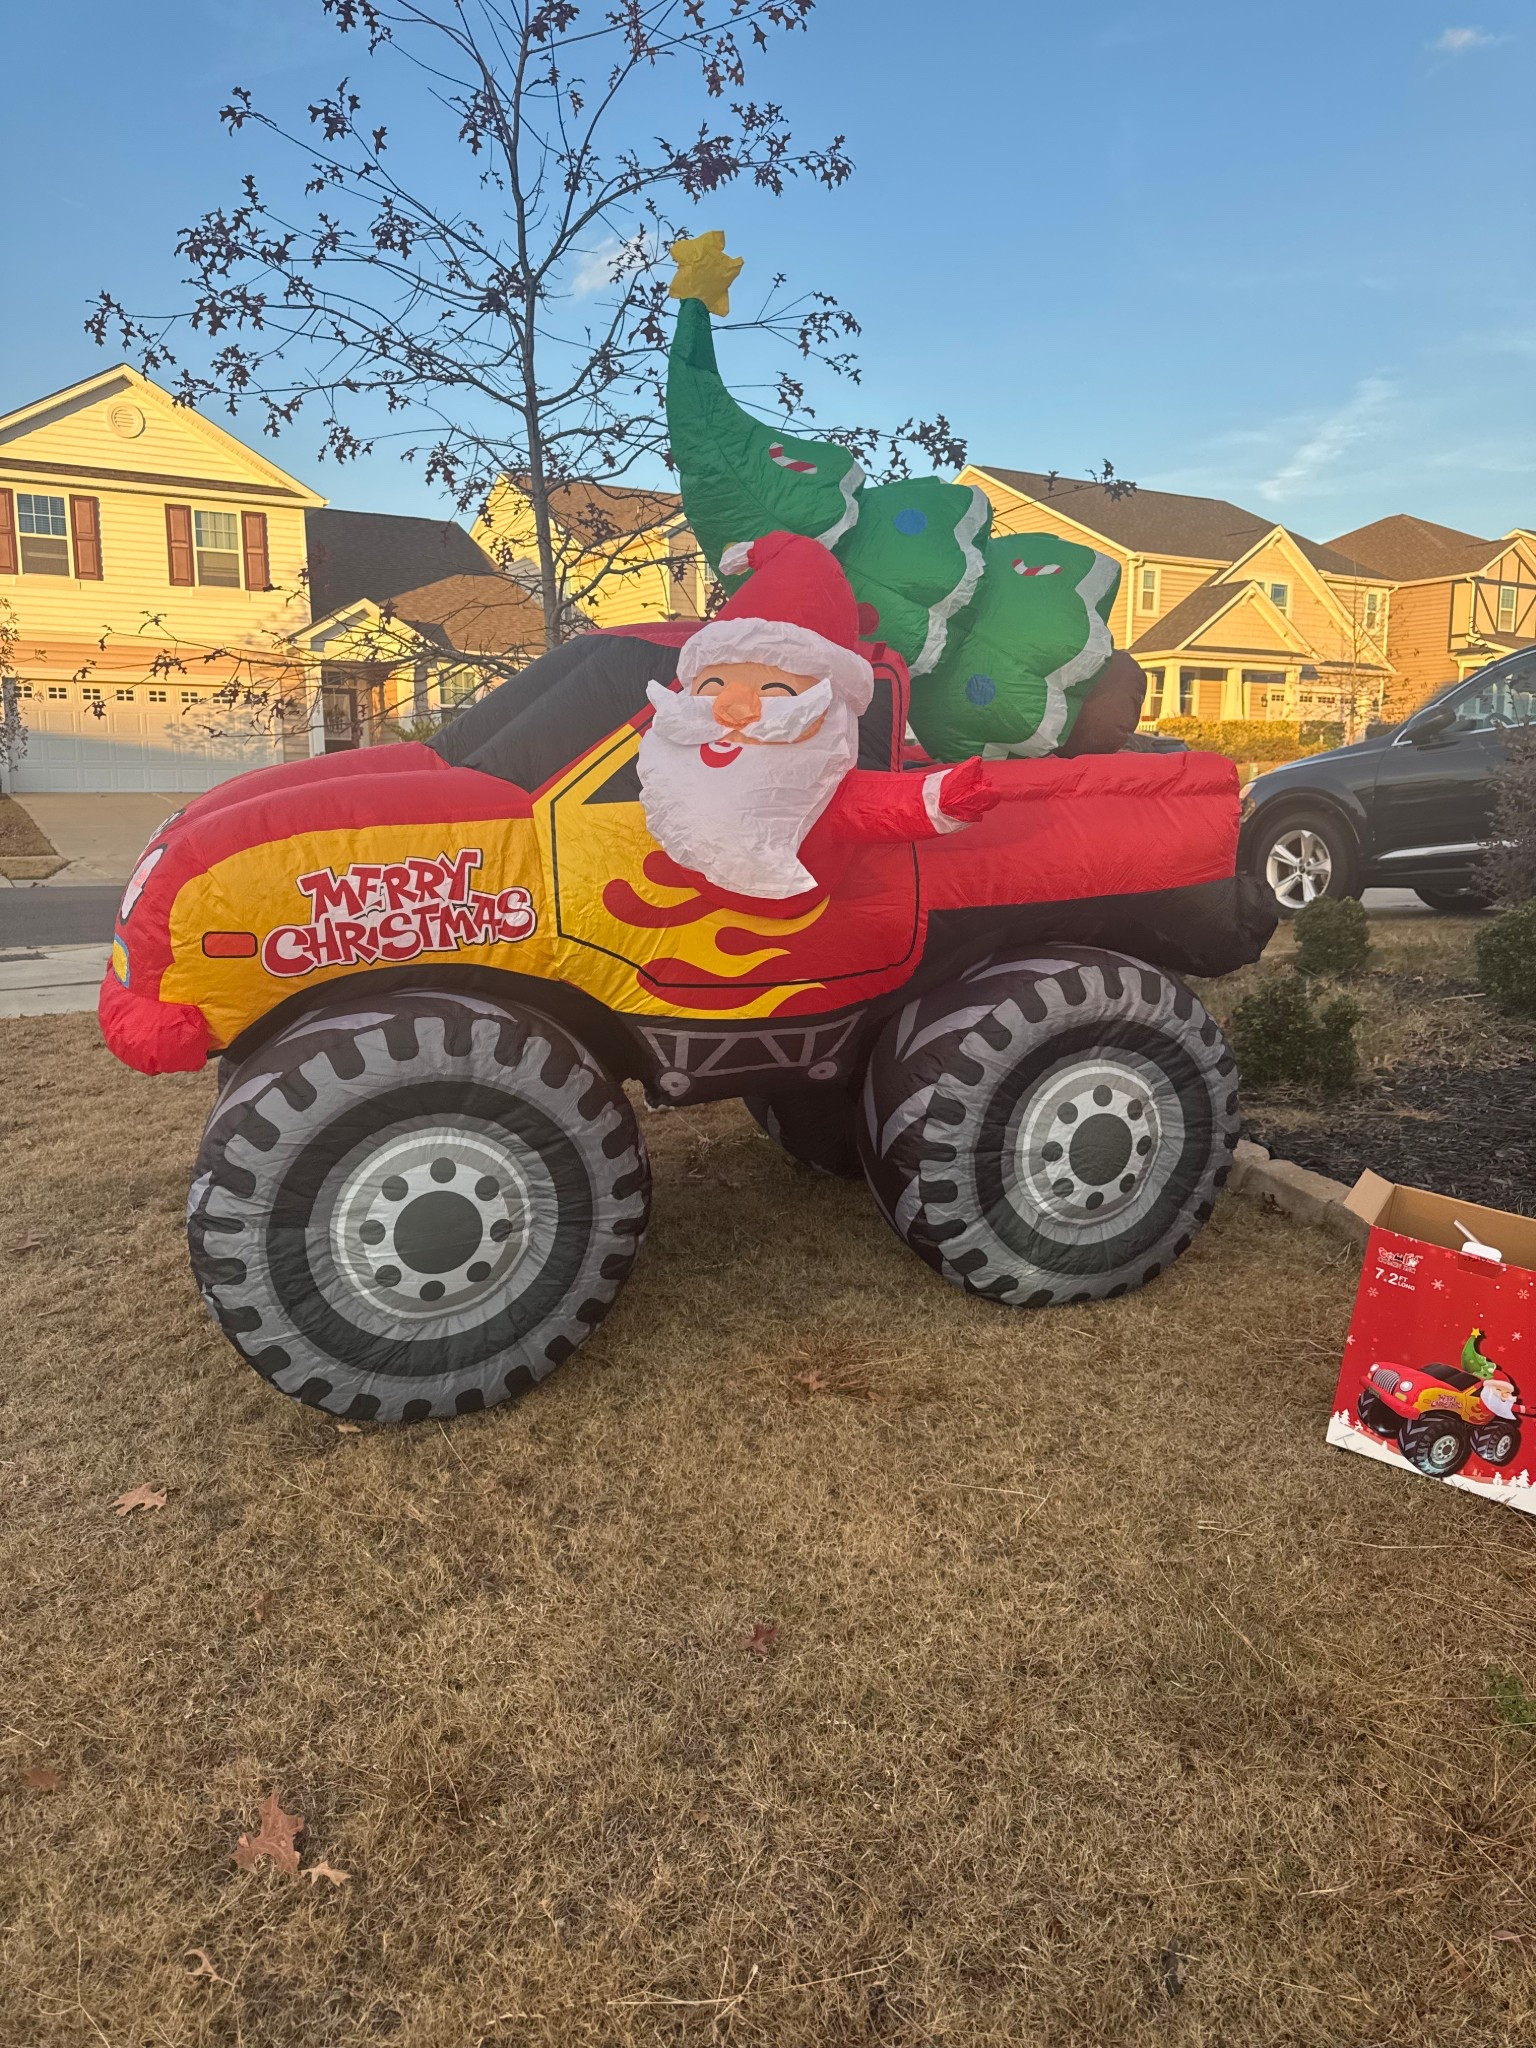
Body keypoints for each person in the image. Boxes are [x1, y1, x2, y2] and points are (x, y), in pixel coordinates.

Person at [637, 531, 997, 901]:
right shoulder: (671, 754)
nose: (730, 708)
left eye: (776, 693)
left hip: (792, 903)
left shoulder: (818, 790)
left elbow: (868, 806)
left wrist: (940, 797)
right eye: (713, 685)